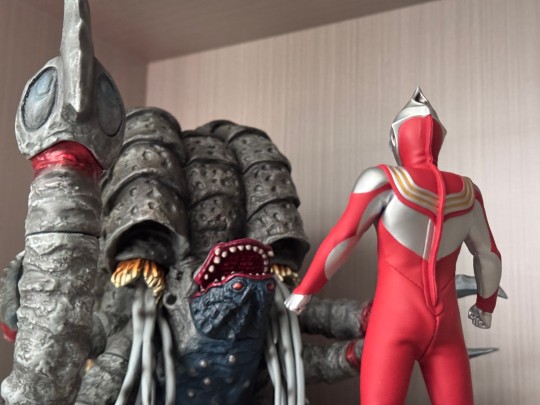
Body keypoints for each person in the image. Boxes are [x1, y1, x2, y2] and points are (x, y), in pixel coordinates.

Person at [285, 88, 502, 404]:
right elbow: (488, 255)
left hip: (394, 321)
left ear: (396, 139)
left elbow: (345, 238)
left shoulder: (384, 179)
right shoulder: (468, 191)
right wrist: (485, 305)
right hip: (446, 326)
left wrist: (305, 288)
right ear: (439, 139)